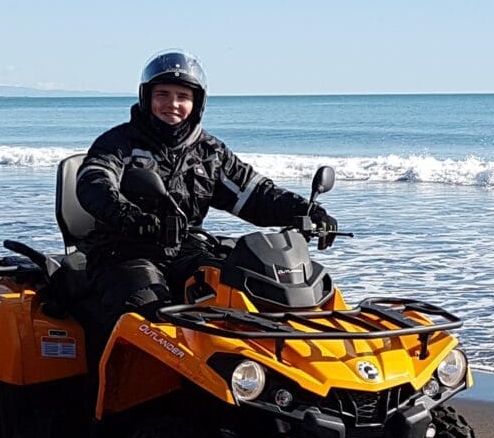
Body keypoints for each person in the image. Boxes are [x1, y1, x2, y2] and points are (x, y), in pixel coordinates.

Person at [73, 49, 335, 350]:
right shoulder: (118, 143)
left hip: (187, 249)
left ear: (197, 103)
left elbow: (255, 194)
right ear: (147, 97)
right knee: (147, 313)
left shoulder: (210, 153)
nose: (172, 104)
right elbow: (94, 181)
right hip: (123, 251)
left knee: (247, 291)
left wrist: (308, 211)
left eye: (182, 97)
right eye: (162, 94)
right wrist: (128, 216)